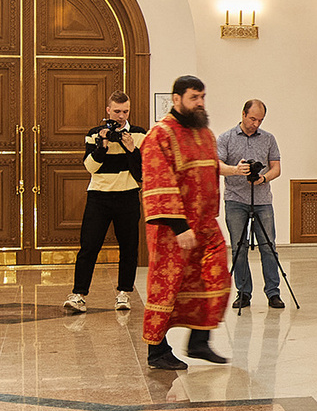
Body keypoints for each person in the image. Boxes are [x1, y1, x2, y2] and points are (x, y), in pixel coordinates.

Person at [138, 77, 231, 372]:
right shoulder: (160, 135)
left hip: (206, 224)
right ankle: (157, 351)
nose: (200, 103)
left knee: (216, 278)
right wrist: (180, 227)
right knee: (167, 287)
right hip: (172, 229)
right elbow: (158, 182)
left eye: (202, 96)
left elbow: (212, 171)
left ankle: (199, 341)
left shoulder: (205, 134)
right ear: (176, 99)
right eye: (194, 97)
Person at [63, 92, 144, 314]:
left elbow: (142, 173)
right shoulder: (94, 134)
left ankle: (124, 294)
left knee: (129, 247)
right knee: (89, 246)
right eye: (116, 111)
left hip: (127, 195)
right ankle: (78, 295)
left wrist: (131, 150)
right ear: (108, 110)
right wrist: (102, 146)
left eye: (125, 112)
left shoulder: (138, 134)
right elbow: (90, 167)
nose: (120, 116)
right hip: (99, 196)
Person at [218, 99, 286, 310]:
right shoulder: (226, 138)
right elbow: (217, 166)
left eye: (260, 120)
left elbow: (276, 168)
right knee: (239, 247)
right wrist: (235, 170)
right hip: (235, 199)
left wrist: (264, 178)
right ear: (243, 114)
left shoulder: (268, 139)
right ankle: (243, 293)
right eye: (252, 119)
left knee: (268, 246)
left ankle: (273, 293)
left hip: (263, 199)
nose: (256, 124)